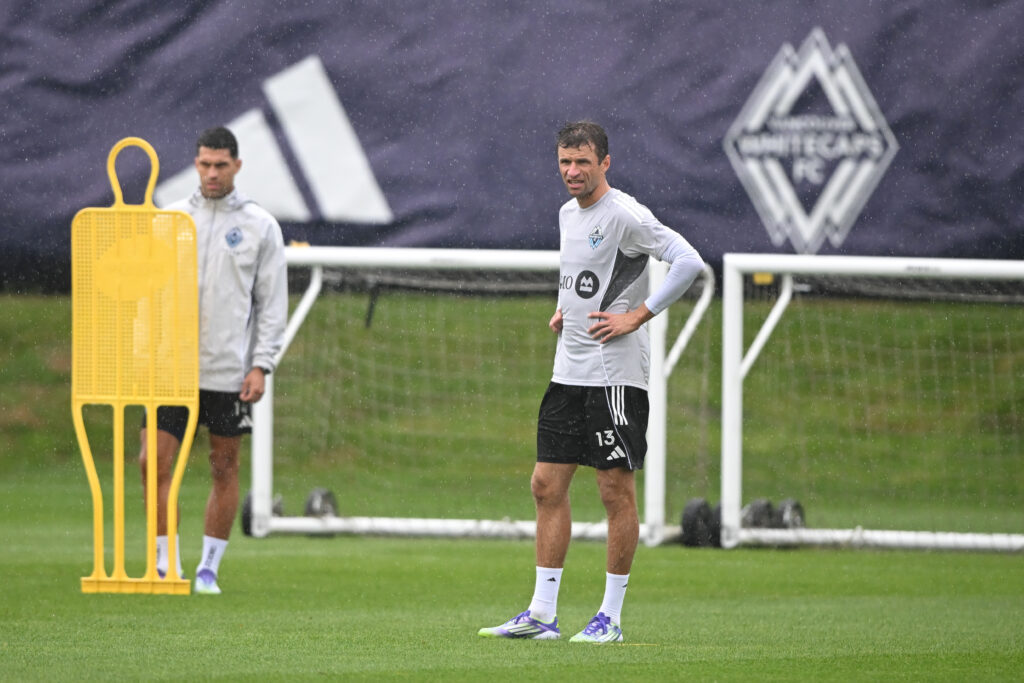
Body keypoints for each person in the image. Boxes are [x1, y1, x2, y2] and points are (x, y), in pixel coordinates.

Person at [478, 121, 704, 643]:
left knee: (612, 488)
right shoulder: (566, 213)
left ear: (606, 162)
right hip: (569, 368)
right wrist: (566, 310)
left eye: (582, 162)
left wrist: (638, 315)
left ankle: (611, 618)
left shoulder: (626, 215)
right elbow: (585, 277)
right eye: (564, 162)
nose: (572, 172)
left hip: (615, 375)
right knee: (545, 485)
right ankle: (542, 614)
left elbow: (687, 260)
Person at [139, 126, 288, 595]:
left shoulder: (260, 226)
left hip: (227, 371)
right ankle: (165, 564)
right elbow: (146, 294)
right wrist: (144, 353)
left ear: (237, 166)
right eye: (204, 163)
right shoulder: (170, 219)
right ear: (195, 163)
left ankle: (207, 568)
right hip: (169, 368)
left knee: (223, 466)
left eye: (220, 164)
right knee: (152, 463)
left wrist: (261, 364)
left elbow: (272, 303)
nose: (211, 173)